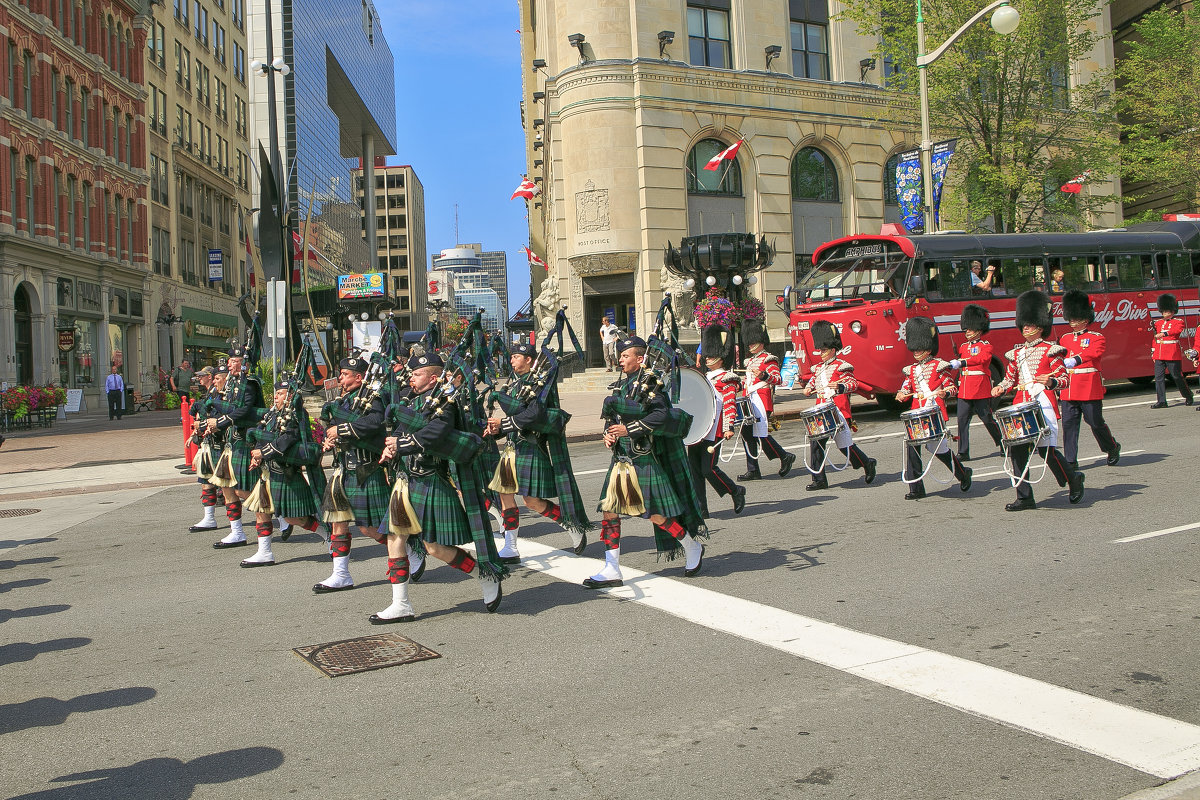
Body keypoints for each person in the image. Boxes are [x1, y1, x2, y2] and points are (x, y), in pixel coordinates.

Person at [375, 351, 507, 623]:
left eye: (417, 374)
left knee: (434, 548)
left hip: (430, 478)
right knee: (394, 538)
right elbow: (402, 431)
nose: (411, 378)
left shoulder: (446, 401)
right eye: (411, 374)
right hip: (405, 481)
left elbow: (438, 432)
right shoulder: (411, 401)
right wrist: (391, 450)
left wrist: (403, 444)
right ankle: (401, 603)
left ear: (433, 377)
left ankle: (484, 573)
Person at [587, 335, 707, 588]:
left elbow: (662, 415)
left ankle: (691, 544)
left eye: (626, 355)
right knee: (610, 511)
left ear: (640, 359)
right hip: (622, 459)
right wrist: (609, 433)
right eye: (620, 356)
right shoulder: (623, 385)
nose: (620, 359)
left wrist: (629, 430)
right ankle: (612, 568)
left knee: (653, 514)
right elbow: (614, 417)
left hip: (643, 458)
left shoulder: (652, 385)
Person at [486, 342, 592, 563]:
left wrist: (504, 423)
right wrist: (496, 429)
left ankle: (570, 525)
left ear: (528, 360)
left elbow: (532, 415)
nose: (512, 360)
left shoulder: (539, 384)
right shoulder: (512, 386)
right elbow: (513, 419)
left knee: (531, 501)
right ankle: (511, 546)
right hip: (512, 449)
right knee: (505, 497)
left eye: (516, 356)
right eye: (512, 356)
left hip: (531, 447)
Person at [992, 290, 1085, 511]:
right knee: (1017, 451)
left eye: (1030, 325)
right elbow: (1009, 379)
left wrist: (1051, 382)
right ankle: (1025, 497)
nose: (1025, 328)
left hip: (1042, 403)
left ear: (1040, 327)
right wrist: (999, 387)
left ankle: (1073, 480)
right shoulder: (1015, 354)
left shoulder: (1052, 351)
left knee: (1047, 451)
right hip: (1021, 405)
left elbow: (1064, 380)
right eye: (1024, 325)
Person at [314, 354, 390, 593]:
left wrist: (342, 428)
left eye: (345, 374)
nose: (340, 378)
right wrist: (330, 436)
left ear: (359, 377)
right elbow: (334, 428)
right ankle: (341, 574)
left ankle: (408, 550)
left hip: (365, 469)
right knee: (338, 523)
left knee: (369, 528)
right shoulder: (343, 400)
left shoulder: (371, 397)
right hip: (342, 470)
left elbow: (376, 422)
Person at [241, 373, 327, 567]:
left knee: (293, 517)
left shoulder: (296, 414)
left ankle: (326, 534)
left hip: (285, 472)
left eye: (280, 393)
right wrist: (258, 456)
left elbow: (287, 439)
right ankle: (265, 552)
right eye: (276, 393)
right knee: (261, 511)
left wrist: (263, 452)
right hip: (268, 472)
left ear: (290, 396)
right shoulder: (274, 414)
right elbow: (266, 435)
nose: (276, 397)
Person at [894, 318, 972, 500]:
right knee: (912, 447)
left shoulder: (939, 366)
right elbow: (907, 387)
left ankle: (962, 473)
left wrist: (944, 393)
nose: (917, 352)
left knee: (939, 449)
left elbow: (951, 386)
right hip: (917, 413)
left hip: (933, 412)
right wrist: (902, 394)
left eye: (920, 348)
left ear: (928, 347)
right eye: (915, 348)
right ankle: (916, 488)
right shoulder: (911, 370)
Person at [801, 320, 877, 490]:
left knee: (845, 446)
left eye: (824, 350)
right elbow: (812, 384)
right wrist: (807, 389)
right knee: (816, 443)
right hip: (821, 410)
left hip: (837, 410)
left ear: (833, 349)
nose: (821, 353)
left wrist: (840, 386)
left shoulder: (842, 366)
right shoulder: (818, 368)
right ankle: (819, 479)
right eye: (820, 350)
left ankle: (867, 463)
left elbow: (852, 384)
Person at [206, 343, 267, 550]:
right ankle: (237, 532)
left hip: (244, 439)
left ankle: (282, 517)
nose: (230, 364)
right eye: (231, 360)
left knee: (244, 491)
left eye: (235, 361)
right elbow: (231, 408)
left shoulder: (248, 383)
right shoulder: (232, 383)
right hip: (230, 441)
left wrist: (220, 420)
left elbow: (242, 410)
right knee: (225, 485)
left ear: (244, 364)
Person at [1058, 289, 1121, 469]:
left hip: (1088, 386)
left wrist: (1076, 359)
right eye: (1071, 319)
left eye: (1076, 319)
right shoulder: (1064, 338)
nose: (1073, 322)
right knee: (1069, 425)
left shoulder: (1096, 337)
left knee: (1095, 422)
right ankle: (1070, 460)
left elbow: (1093, 353)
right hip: (1069, 388)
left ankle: (1112, 447)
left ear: (1085, 319)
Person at [689, 324, 746, 517]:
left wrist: (729, 426)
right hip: (698, 429)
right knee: (694, 470)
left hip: (715, 429)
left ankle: (735, 491)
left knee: (708, 469)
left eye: (710, 354)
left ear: (720, 357)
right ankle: (700, 508)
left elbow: (730, 403)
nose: (706, 357)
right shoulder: (703, 377)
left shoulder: (727, 378)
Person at [738, 319, 796, 481]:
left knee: (760, 433)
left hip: (761, 400)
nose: (749, 345)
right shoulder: (750, 361)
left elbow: (778, 379)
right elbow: (748, 381)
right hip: (749, 398)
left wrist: (763, 375)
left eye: (753, 342)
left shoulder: (768, 359)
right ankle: (753, 469)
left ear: (761, 342)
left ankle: (784, 456)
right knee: (747, 433)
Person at [947, 304, 1003, 460]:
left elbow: (982, 359)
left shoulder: (986, 346)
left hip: (980, 388)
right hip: (965, 388)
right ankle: (963, 451)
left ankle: (1002, 442)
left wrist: (963, 362)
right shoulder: (963, 347)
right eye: (966, 329)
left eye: (970, 329)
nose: (967, 331)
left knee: (987, 419)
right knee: (962, 420)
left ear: (979, 330)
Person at [187, 366, 222, 532]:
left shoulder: (219, 393)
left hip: (221, 443)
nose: (200, 379)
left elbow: (216, 416)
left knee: (241, 489)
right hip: (208, 442)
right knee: (205, 480)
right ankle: (209, 518)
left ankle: (281, 518)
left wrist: (200, 422)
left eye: (203, 376)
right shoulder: (208, 393)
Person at [1150, 293, 1194, 408]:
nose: (1165, 314)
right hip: (1159, 353)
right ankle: (1162, 401)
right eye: (1164, 312)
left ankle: (1188, 395)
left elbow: (1176, 331)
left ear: (1173, 312)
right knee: (1158, 378)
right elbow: (1155, 338)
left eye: (1168, 312)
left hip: (1172, 353)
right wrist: (1153, 352)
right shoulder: (1158, 323)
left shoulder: (1178, 321)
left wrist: (1164, 333)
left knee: (1176, 376)